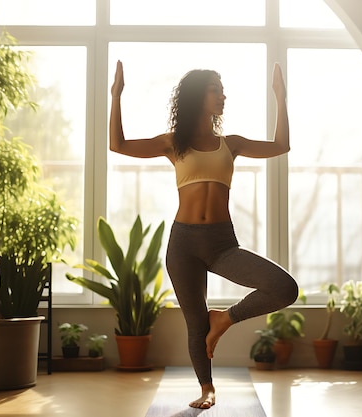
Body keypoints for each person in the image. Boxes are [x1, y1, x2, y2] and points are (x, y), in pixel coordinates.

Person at [109, 60, 299, 409]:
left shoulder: (232, 144)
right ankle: (207, 388)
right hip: (183, 244)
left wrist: (281, 97)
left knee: (285, 288)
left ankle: (223, 318)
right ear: (199, 96)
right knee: (195, 324)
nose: (223, 95)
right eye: (216, 89)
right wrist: (116, 95)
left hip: (222, 243)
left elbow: (282, 145)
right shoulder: (173, 144)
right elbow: (118, 145)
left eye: (222, 89)